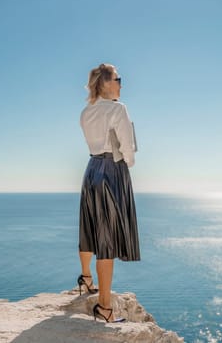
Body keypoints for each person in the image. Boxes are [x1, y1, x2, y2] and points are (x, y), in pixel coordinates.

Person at [77, 63, 140, 323]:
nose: (121, 84)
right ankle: (104, 308)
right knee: (107, 241)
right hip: (112, 171)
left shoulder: (85, 112)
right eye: (118, 79)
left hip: (91, 168)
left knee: (89, 227)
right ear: (105, 83)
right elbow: (128, 148)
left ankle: (86, 278)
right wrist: (129, 160)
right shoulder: (117, 109)